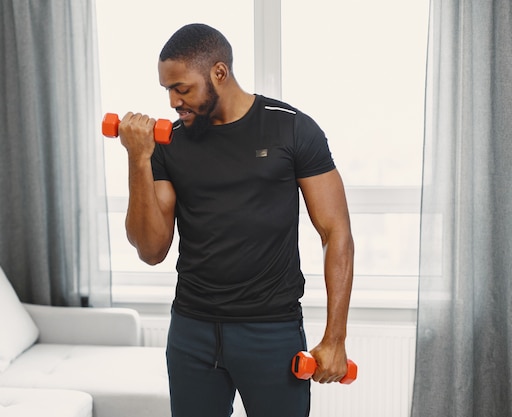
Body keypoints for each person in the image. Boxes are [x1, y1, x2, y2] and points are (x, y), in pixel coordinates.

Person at [117, 23, 354, 417]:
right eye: (167, 90)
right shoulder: (168, 144)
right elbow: (151, 249)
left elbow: (336, 232)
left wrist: (336, 337)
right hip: (192, 329)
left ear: (219, 73)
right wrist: (137, 158)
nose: (174, 101)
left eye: (182, 88)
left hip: (271, 330)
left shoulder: (291, 128)